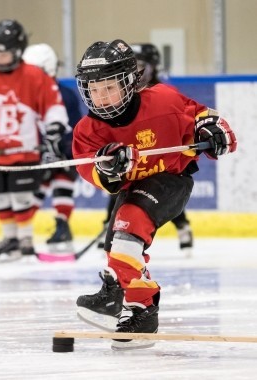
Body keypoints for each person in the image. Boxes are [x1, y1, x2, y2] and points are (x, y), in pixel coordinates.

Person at [72, 39, 237, 349]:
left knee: (129, 225)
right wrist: (108, 167)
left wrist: (213, 129)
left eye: (108, 87)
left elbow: (202, 115)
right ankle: (142, 313)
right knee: (120, 245)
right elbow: (91, 172)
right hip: (134, 188)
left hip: (172, 180)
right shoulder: (88, 130)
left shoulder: (163, 100)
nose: (100, 97)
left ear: (129, 81)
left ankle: (113, 291)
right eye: (93, 89)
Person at [0, 20, 69, 261]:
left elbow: (53, 105)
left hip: (24, 152)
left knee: (21, 196)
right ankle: (10, 238)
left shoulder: (34, 75)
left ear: (17, 51)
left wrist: (54, 128)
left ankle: (25, 238)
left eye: (2, 53)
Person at [97, 43, 194, 256]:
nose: (135, 71)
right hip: (135, 153)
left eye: (141, 65)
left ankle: (182, 226)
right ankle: (110, 224)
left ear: (153, 66)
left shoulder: (165, 93)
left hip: (162, 155)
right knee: (120, 186)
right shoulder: (124, 92)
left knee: (162, 192)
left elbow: (185, 121)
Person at [23, 43, 83, 250]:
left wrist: (61, 150)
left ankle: (61, 225)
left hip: (61, 152)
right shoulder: (29, 94)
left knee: (60, 181)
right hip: (41, 153)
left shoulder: (64, 95)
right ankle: (24, 231)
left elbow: (74, 128)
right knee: (38, 189)